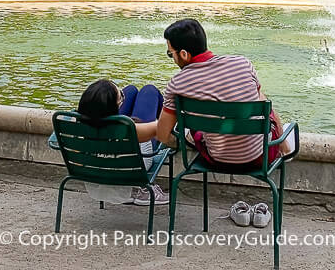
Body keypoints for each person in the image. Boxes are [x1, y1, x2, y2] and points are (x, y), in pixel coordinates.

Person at [156, 19, 286, 167]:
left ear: (184, 54)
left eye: (170, 53)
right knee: (263, 100)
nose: (172, 58)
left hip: (217, 160)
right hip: (260, 158)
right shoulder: (242, 63)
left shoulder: (177, 83)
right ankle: (285, 148)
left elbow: (162, 135)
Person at [70, 80, 168, 205]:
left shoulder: (76, 124)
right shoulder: (130, 129)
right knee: (150, 90)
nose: (123, 97)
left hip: (96, 168)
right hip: (133, 165)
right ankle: (141, 191)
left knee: (131, 89)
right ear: (114, 106)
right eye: (121, 96)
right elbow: (163, 126)